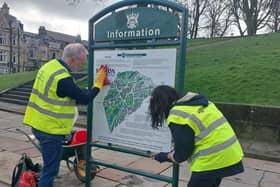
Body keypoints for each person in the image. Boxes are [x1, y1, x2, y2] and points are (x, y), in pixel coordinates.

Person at [23, 43, 107, 187]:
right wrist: (98, 84)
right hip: (50, 129)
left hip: (38, 123)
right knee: (50, 171)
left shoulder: (50, 66)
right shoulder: (62, 78)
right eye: (82, 61)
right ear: (73, 59)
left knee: (49, 166)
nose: (83, 64)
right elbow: (84, 99)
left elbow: (67, 92)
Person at [149, 85, 244, 187]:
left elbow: (183, 152)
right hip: (230, 153)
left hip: (211, 160)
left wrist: (165, 156)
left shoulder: (178, 115)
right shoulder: (198, 103)